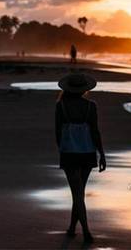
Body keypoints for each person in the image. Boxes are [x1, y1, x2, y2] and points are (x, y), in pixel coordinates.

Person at [55, 73, 106, 243]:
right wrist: (102, 154)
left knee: (77, 194)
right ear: (84, 89)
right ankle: (73, 228)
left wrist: (61, 149)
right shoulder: (91, 106)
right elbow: (95, 131)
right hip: (87, 151)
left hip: (69, 152)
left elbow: (57, 132)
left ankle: (85, 231)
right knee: (79, 193)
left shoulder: (60, 106)